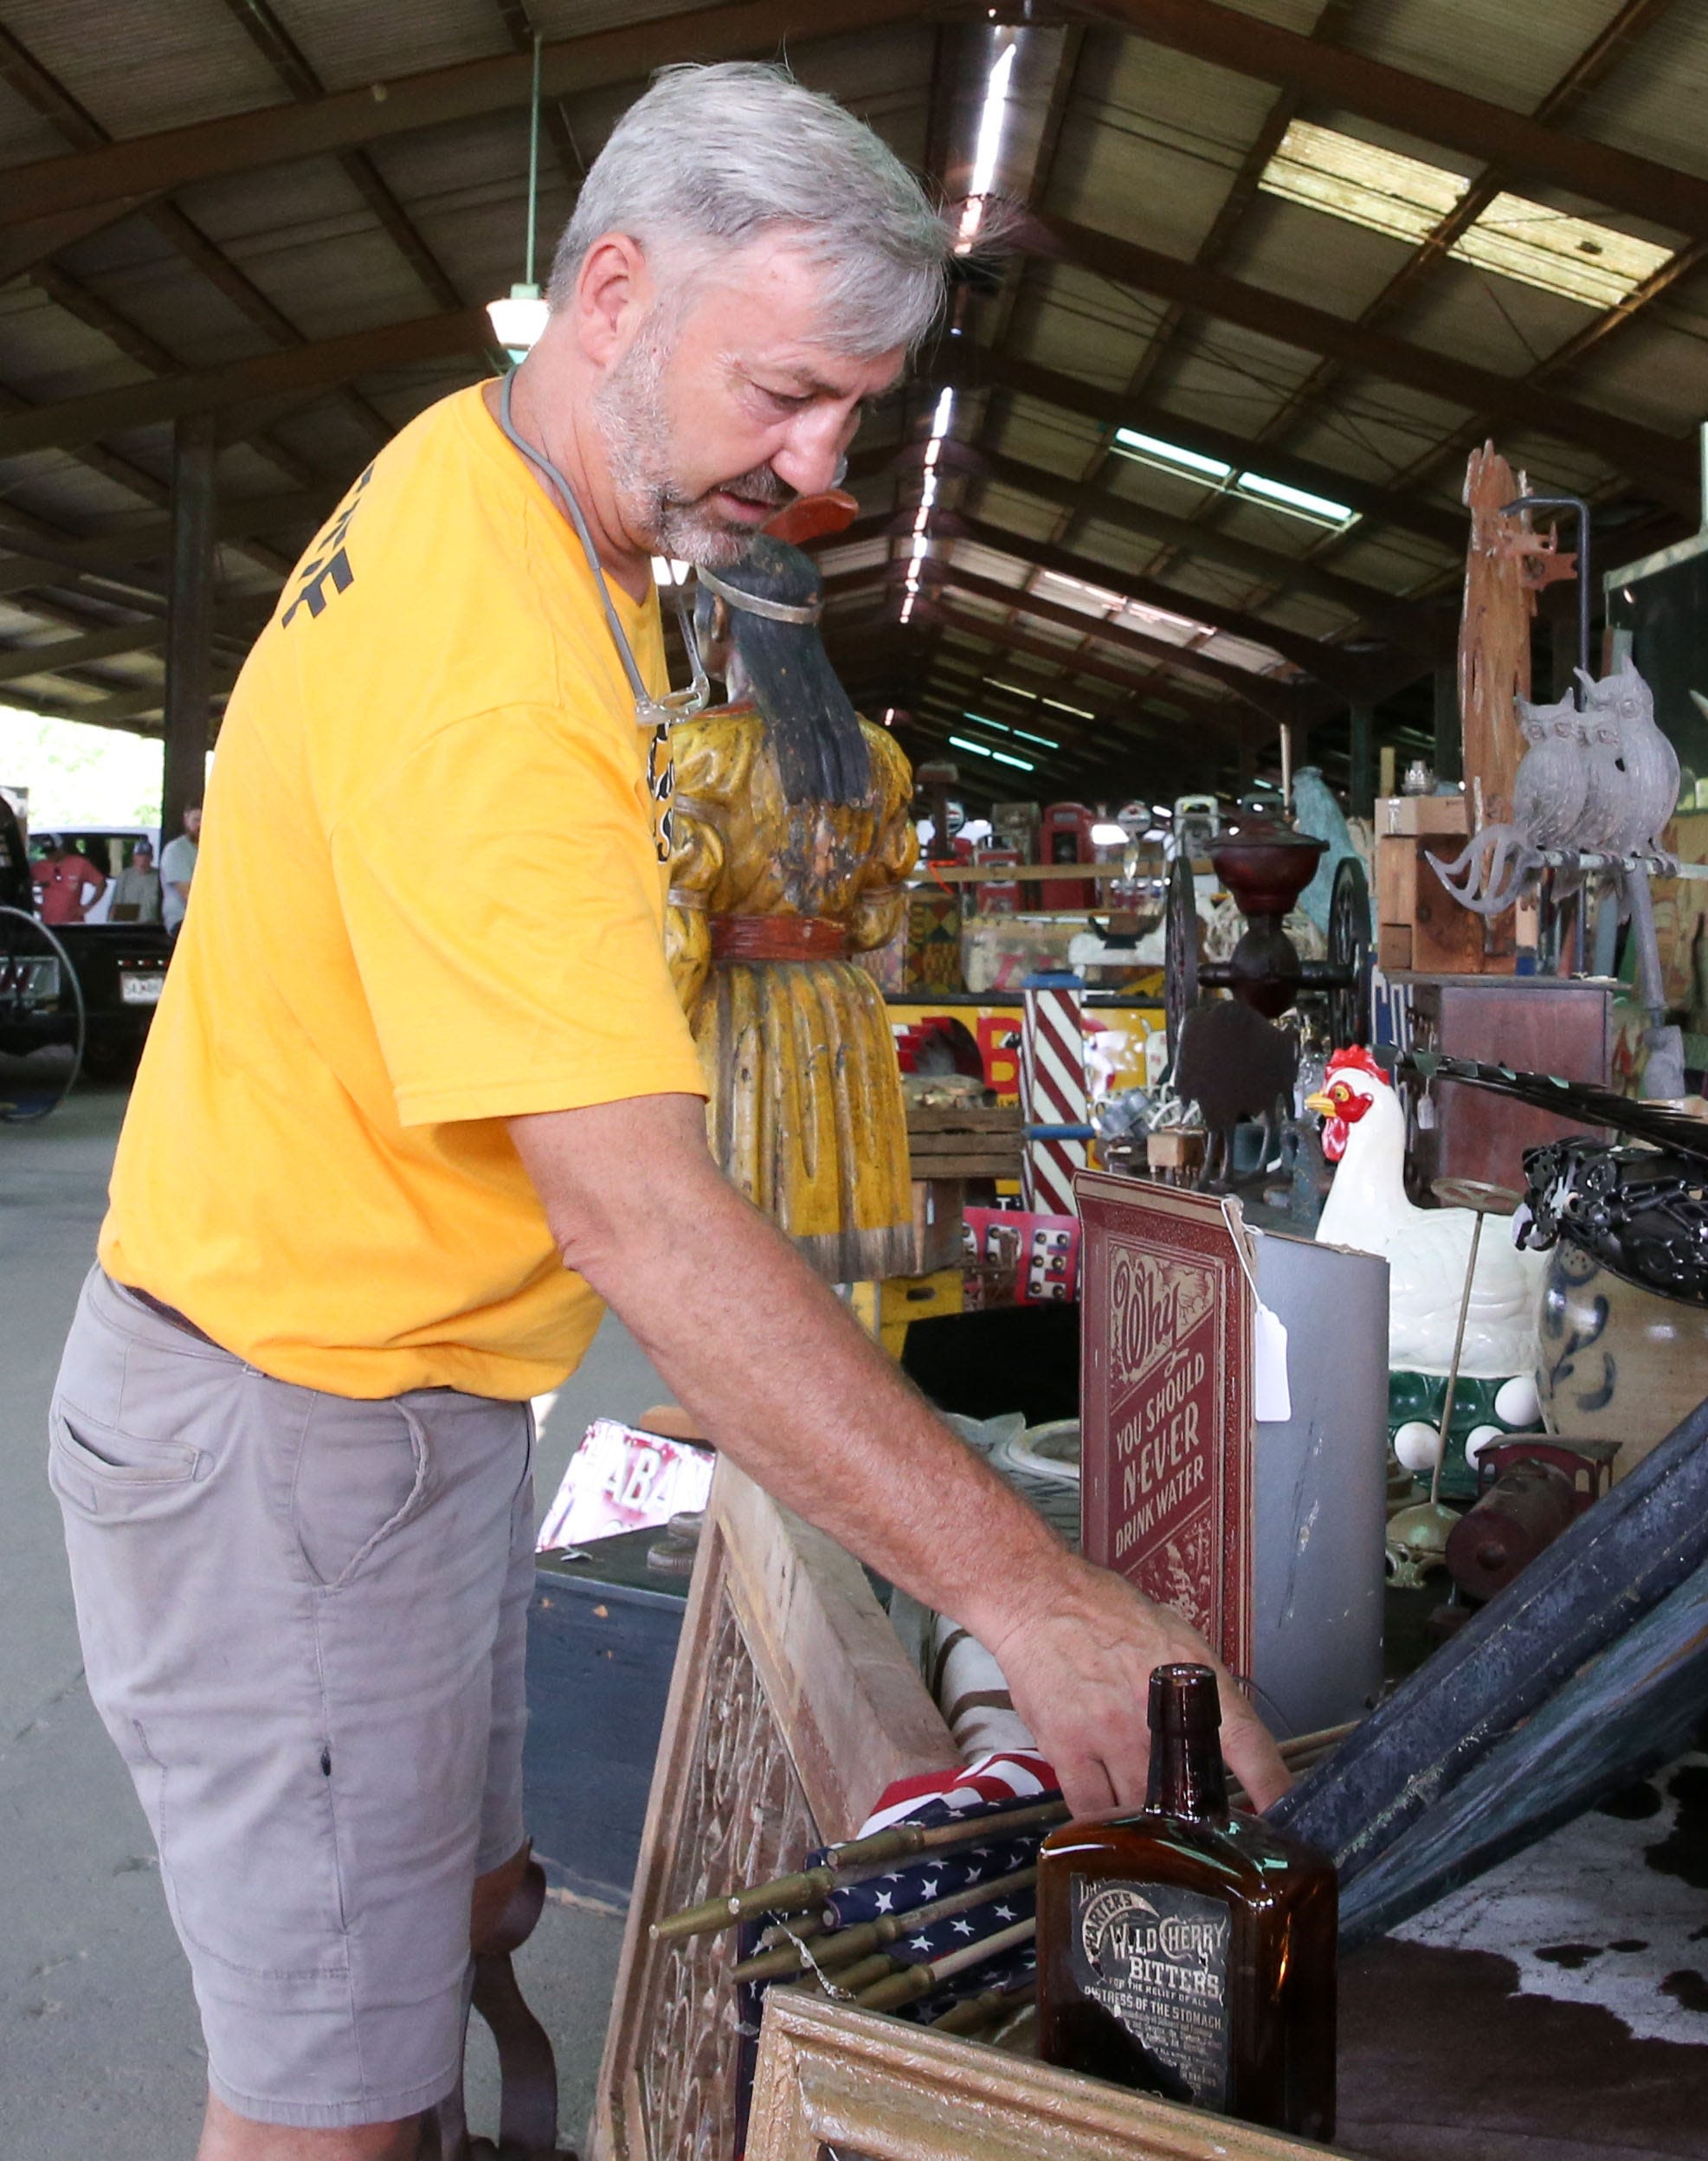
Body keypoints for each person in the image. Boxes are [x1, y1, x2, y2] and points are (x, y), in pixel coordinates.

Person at [51, 62, 1283, 2161]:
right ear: (610, 289)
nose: (815, 470)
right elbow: (632, 1204)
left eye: (852, 421)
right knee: (330, 2106)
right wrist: (1038, 1597)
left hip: (397, 1392)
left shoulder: (506, 486)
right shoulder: (493, 663)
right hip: (293, 1426)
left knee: (463, 1915)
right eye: (784, 395)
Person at [36, 835, 106, 925]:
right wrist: (35, 906)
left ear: (61, 848)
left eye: (53, 852)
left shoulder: (80, 863)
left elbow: (101, 883)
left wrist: (89, 906)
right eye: (47, 852)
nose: (50, 855)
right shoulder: (38, 867)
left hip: (74, 924)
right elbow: (23, 885)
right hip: (48, 925)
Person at [158, 801, 199, 929]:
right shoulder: (176, 850)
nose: (201, 825)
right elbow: (187, 893)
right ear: (186, 820)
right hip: (183, 921)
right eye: (196, 820)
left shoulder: (213, 849)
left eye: (206, 820)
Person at [108, 839, 162, 924]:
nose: (143, 860)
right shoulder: (125, 876)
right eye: (140, 856)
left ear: (152, 858)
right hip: (129, 927)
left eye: (147, 856)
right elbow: (116, 905)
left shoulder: (160, 877)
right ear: (134, 857)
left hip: (152, 926)